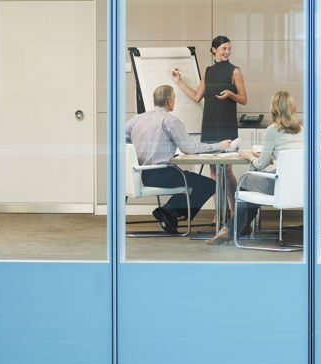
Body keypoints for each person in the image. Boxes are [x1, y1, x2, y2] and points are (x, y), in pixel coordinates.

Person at [126, 84, 231, 234]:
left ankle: (170, 216)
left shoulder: (137, 119)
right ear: (169, 101)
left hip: (144, 174)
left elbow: (122, 138)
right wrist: (219, 145)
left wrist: (136, 149)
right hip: (164, 174)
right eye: (174, 98)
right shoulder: (170, 121)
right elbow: (190, 148)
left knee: (194, 182)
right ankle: (168, 212)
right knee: (209, 184)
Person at [208, 91, 304, 245]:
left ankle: (232, 229)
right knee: (252, 181)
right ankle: (237, 227)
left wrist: (249, 156)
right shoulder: (301, 129)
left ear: (274, 108)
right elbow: (290, 157)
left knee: (247, 180)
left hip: (278, 184)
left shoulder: (273, 129)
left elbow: (261, 165)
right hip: (301, 186)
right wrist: (271, 157)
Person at [172, 35, 247, 212]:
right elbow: (197, 97)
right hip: (209, 125)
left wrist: (231, 94)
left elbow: (243, 99)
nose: (227, 52)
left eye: (229, 49)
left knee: (227, 171)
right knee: (213, 173)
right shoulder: (208, 71)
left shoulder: (235, 71)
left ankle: (235, 210)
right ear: (214, 50)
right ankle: (219, 213)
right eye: (224, 49)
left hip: (226, 125)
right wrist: (179, 81)